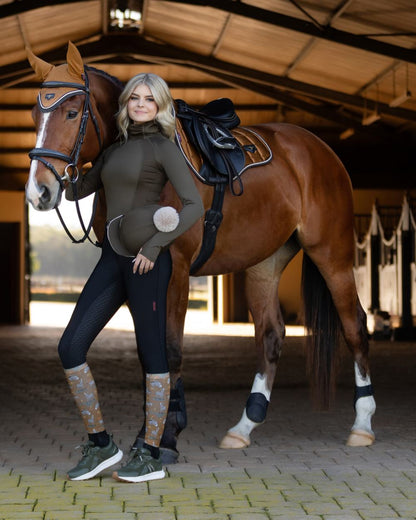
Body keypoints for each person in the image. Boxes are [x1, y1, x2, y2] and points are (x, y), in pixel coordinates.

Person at [57, 73, 204, 483]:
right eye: (135, 98)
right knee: (70, 346)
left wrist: (156, 247)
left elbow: (193, 207)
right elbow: (78, 190)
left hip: (147, 262)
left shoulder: (164, 146)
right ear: (126, 104)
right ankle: (101, 444)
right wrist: (61, 165)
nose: (141, 104)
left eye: (149, 99)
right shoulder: (113, 149)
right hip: (112, 258)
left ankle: (152, 454)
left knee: (152, 356)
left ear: (160, 105)